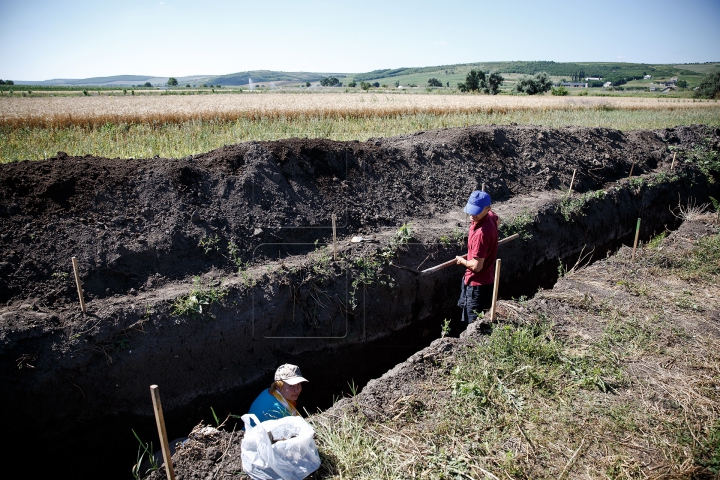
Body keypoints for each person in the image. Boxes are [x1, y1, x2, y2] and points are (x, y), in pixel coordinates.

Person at [456, 190, 500, 324]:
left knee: (473, 323)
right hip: (478, 282)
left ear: (487, 209)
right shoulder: (490, 217)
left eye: (477, 211)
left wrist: (463, 261)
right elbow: (498, 220)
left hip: (477, 286)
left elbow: (476, 266)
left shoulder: (481, 234)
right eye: (471, 210)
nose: (472, 214)